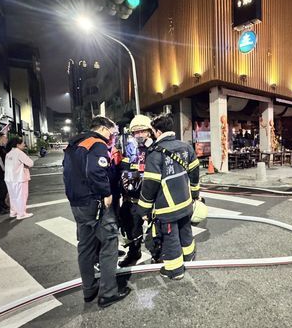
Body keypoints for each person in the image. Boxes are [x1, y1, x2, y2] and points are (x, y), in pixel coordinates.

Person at [63, 115, 131, 308]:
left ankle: (89, 288)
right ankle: (108, 292)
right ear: (103, 128)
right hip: (95, 203)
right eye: (111, 132)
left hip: (78, 203)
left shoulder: (75, 144)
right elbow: (95, 171)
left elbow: (67, 172)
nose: (112, 136)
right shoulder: (97, 144)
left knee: (85, 246)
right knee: (109, 244)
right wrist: (106, 193)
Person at [136, 113, 200, 280]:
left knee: (170, 237)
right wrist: (195, 193)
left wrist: (143, 208)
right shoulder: (186, 147)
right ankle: (189, 258)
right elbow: (194, 173)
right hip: (186, 202)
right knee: (186, 230)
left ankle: (174, 270)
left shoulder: (155, 154)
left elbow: (150, 185)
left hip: (167, 207)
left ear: (157, 132)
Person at [117, 114, 155, 267]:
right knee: (130, 228)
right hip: (131, 199)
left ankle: (157, 254)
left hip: (151, 199)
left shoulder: (155, 149)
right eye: (136, 132)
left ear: (149, 131)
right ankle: (134, 252)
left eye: (142, 131)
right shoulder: (129, 150)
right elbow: (124, 172)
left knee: (156, 230)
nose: (139, 135)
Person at [4, 137, 34, 219]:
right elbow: (30, 163)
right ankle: (21, 214)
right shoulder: (19, 153)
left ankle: (13, 212)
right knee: (21, 196)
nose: (24, 145)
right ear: (18, 145)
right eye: (23, 143)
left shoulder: (9, 153)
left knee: (13, 196)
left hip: (9, 178)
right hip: (19, 178)